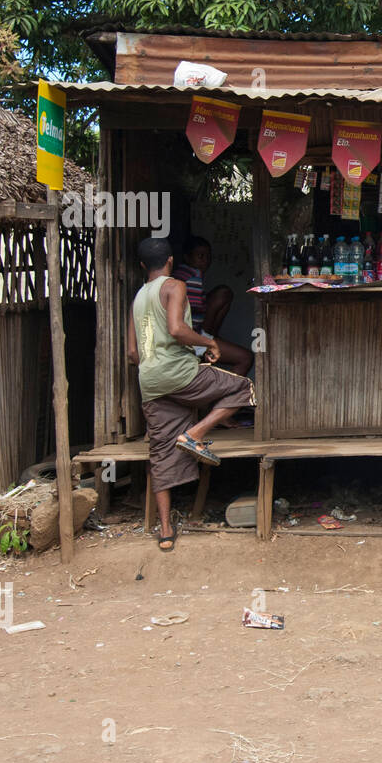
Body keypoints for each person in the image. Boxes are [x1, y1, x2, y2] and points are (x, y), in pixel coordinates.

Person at [126, 238, 256, 552]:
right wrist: (208, 344)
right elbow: (176, 329)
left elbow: (132, 352)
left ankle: (166, 531)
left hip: (151, 382)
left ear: (144, 265)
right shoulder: (175, 286)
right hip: (180, 374)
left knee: (160, 453)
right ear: (170, 261)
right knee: (243, 388)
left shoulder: (138, 298)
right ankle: (195, 433)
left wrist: (154, 365)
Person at [173, 236, 253, 376]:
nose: (205, 261)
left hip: (186, 338)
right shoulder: (193, 276)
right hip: (191, 339)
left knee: (223, 293)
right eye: (200, 256)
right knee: (245, 358)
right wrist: (207, 341)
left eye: (208, 256)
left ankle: (210, 338)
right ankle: (226, 397)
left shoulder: (179, 274)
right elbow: (195, 314)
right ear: (187, 257)